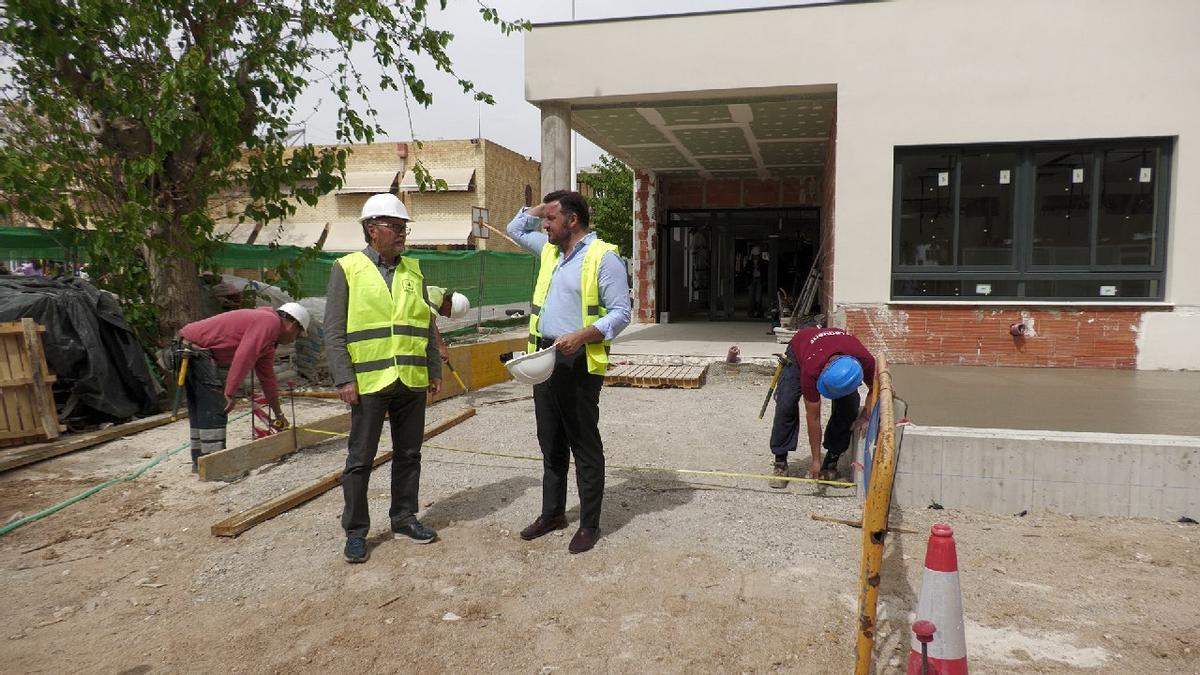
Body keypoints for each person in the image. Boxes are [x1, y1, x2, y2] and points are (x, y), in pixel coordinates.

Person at [506, 190, 631, 554]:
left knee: (583, 442)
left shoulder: (603, 257)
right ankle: (553, 514)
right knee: (550, 439)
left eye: (550, 218)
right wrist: (539, 206)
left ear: (572, 221)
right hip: (544, 356)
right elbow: (515, 227)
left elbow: (621, 313)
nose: (543, 224)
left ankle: (590, 524)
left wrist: (581, 336)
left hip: (577, 361)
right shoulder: (549, 250)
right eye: (544, 218)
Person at [325, 193, 442, 564]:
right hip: (368, 381)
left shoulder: (414, 270)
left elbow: (425, 322)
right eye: (395, 226)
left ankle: (404, 518)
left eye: (404, 227)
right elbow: (333, 330)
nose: (402, 233)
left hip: (409, 378)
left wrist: (433, 369)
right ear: (372, 230)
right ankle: (356, 531)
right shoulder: (346, 269)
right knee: (360, 459)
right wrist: (345, 378)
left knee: (409, 453)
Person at [175, 302, 310, 471]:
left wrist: (278, 415)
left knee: (203, 411)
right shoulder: (269, 322)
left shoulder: (268, 338)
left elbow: (268, 379)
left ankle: (201, 464)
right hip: (193, 350)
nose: (293, 340)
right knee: (215, 410)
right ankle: (217, 469)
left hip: (187, 347)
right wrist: (230, 393)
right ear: (293, 325)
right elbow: (244, 356)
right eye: (297, 335)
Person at [768, 327, 876, 488]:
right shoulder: (812, 368)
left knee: (849, 406)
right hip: (801, 348)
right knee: (786, 403)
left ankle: (831, 463)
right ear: (824, 370)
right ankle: (780, 462)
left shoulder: (865, 360)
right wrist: (815, 460)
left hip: (835, 352)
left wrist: (865, 416)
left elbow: (875, 388)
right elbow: (813, 417)